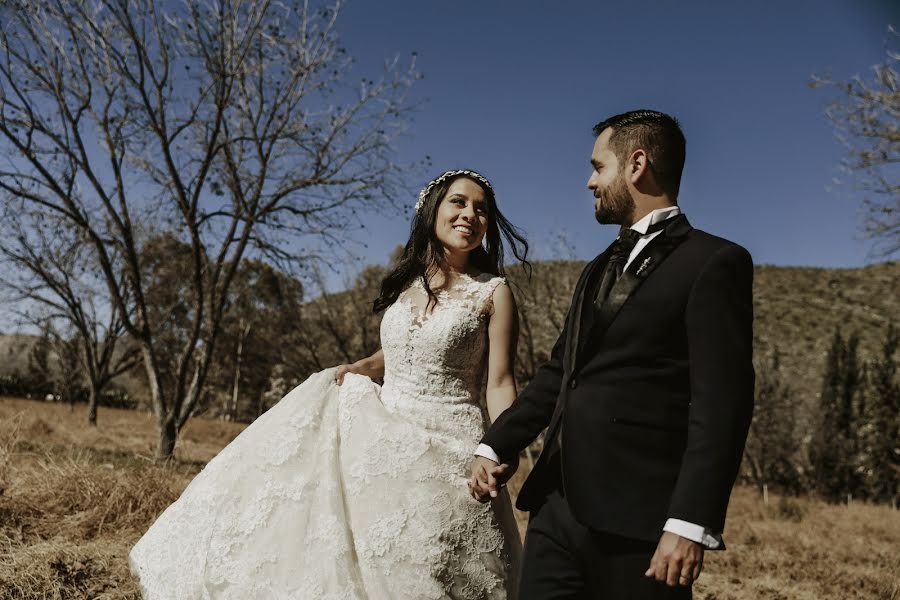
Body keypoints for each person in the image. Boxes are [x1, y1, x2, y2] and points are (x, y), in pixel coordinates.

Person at [130, 169, 528, 599]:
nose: (470, 214)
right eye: (459, 202)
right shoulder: (407, 286)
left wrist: (499, 447)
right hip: (381, 443)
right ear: (433, 209)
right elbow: (400, 352)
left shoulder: (493, 293)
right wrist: (364, 366)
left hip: (449, 446)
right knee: (364, 558)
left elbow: (501, 382)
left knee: (430, 570)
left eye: (481, 209)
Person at [469, 110, 755, 599]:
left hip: (641, 523)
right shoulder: (597, 267)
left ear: (636, 164)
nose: (589, 181)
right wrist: (496, 444)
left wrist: (688, 522)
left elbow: (722, 404)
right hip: (556, 508)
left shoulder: (713, 262)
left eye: (598, 167)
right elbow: (563, 371)